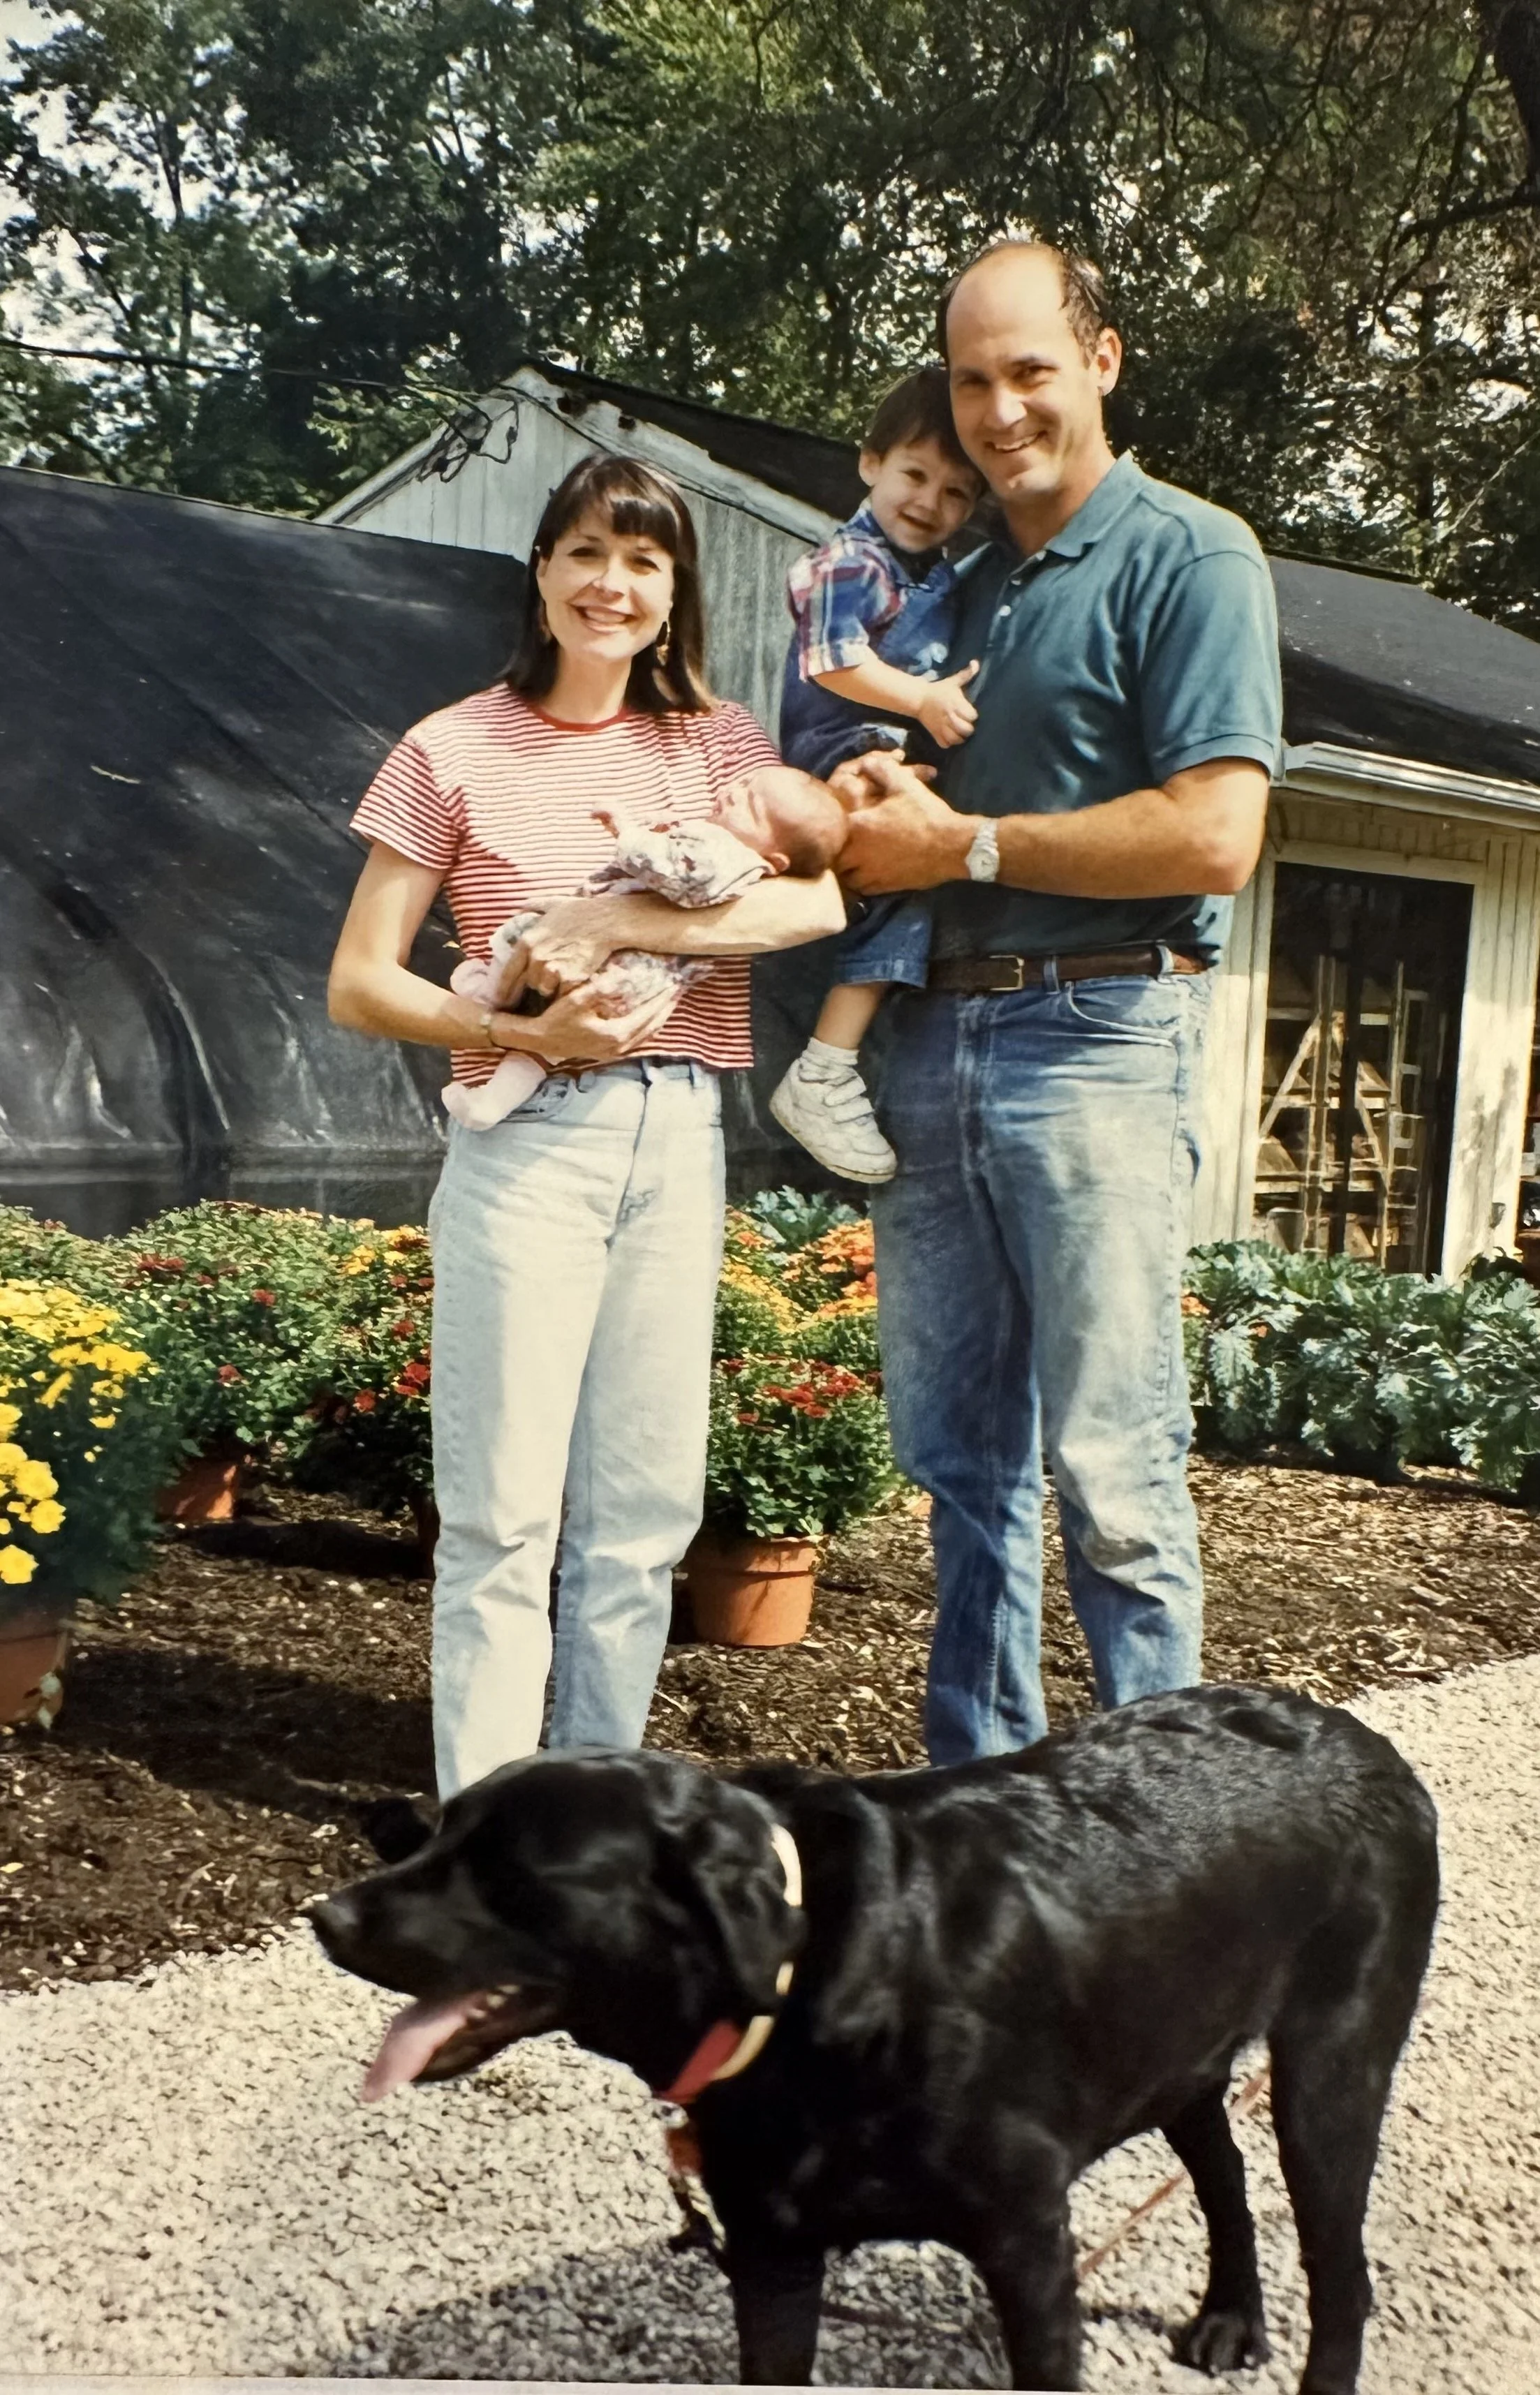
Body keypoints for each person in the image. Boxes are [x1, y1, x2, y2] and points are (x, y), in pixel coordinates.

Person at [327, 453, 845, 1797]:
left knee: (642, 1515)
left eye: (645, 561)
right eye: (587, 555)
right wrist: (520, 1032)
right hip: (529, 1141)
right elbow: (361, 981)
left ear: (673, 595)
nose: (613, 586)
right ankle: (489, 1824)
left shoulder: (721, 744)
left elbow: (816, 908)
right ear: (543, 574)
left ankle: (598, 1805)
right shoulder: (452, 746)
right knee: (502, 1513)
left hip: (678, 1133)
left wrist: (615, 918)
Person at [833, 242, 1282, 1763]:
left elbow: (1215, 829)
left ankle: (1168, 1838)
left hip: (1094, 1034)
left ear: (1100, 358)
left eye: (1029, 368)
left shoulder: (1189, 554)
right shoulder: (946, 578)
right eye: (969, 380)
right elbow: (865, 783)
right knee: (961, 1465)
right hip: (929, 1029)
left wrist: (958, 841)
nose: (998, 408)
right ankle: (982, 1808)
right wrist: (862, 784)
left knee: (1112, 1465)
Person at [770, 369, 985, 1183]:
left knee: (917, 883)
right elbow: (832, 661)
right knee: (903, 882)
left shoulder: (934, 573)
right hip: (844, 745)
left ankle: (840, 1054)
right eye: (915, 475)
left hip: (888, 742)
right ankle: (824, 1068)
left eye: (958, 493)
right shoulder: (853, 560)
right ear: (870, 463)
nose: (931, 503)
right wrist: (922, 699)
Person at [442, 768, 845, 1128]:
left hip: (610, 966)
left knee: (527, 931)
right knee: (550, 1049)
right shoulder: (746, 872)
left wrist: (629, 831)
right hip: (633, 991)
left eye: (752, 806)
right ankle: (491, 1104)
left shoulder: (723, 852)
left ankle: (491, 993)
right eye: (743, 784)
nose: (734, 792)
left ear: (775, 861)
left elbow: (668, 868)